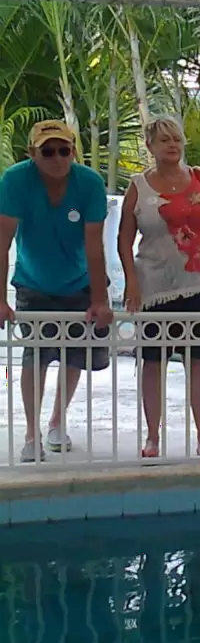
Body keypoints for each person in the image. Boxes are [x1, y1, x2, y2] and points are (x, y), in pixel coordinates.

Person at [117, 117, 200, 458]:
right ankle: (152, 436)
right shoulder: (138, 186)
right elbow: (124, 239)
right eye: (164, 140)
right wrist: (131, 281)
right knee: (153, 362)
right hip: (155, 285)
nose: (172, 145)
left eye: (176, 139)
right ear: (150, 146)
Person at [0, 120, 113, 461]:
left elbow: (94, 246)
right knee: (35, 356)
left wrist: (99, 299)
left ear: (74, 152)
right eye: (47, 151)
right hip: (33, 281)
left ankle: (56, 421)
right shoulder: (16, 180)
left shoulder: (89, 183)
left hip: (78, 280)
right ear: (32, 154)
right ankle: (31, 433)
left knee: (73, 355)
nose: (57, 158)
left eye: (64, 150)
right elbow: (2, 242)